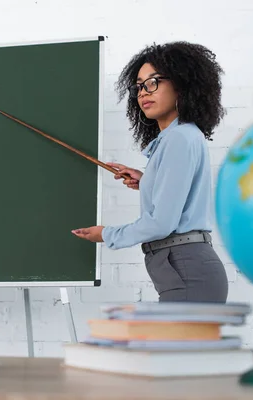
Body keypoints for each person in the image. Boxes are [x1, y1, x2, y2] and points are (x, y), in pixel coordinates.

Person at [72, 41, 228, 303]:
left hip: (188, 271)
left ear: (181, 83)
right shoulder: (179, 136)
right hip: (186, 270)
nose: (144, 92)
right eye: (140, 86)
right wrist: (147, 181)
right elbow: (181, 196)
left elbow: (162, 223)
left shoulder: (179, 138)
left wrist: (107, 234)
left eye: (154, 82)